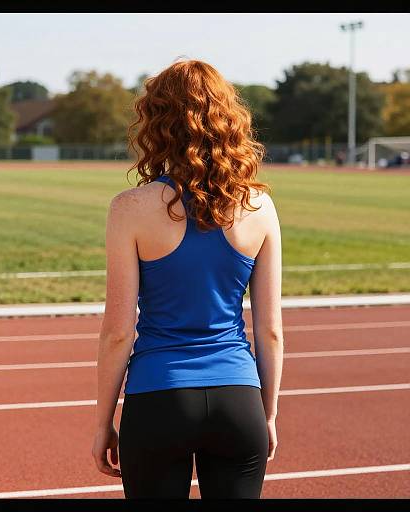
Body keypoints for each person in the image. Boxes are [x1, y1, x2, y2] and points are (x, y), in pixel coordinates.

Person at [92, 59, 284, 499]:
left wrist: (103, 422)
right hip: (239, 398)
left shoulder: (129, 208)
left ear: (155, 122)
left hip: (158, 397)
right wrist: (267, 413)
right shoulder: (260, 207)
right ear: (228, 119)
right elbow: (270, 331)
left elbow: (119, 332)